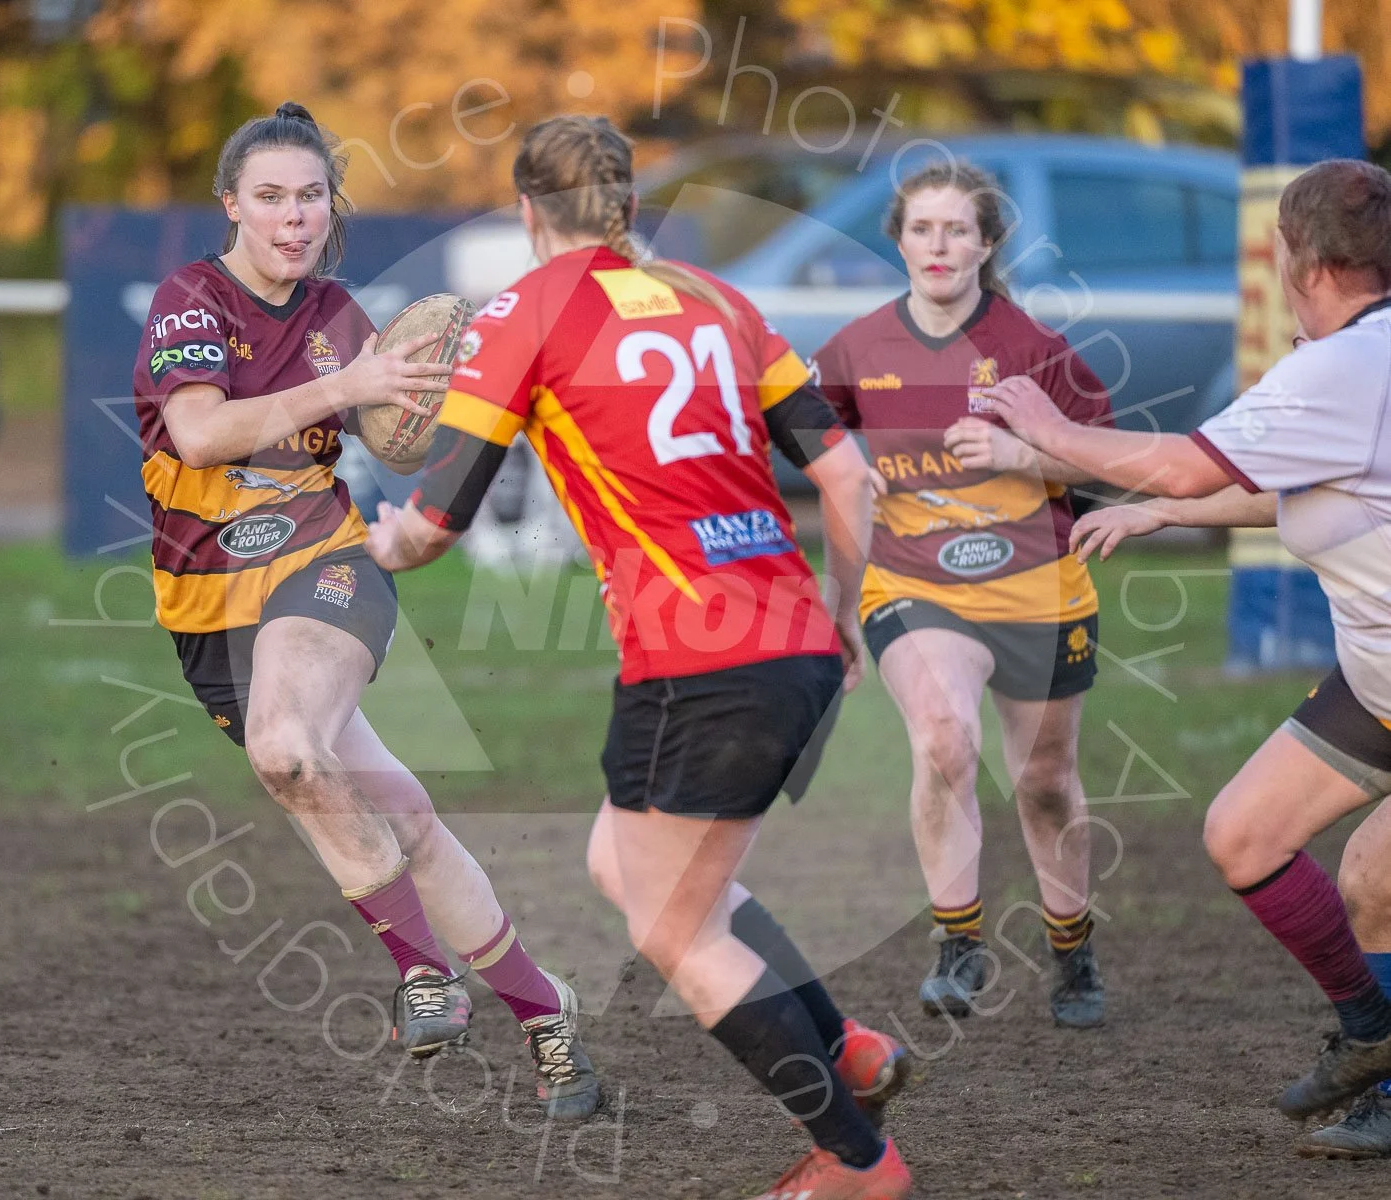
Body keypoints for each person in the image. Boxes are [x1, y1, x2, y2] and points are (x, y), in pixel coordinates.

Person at [366, 114, 914, 1200]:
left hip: (697, 661)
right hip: (785, 638)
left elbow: (435, 523)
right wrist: (846, 615)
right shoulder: (722, 300)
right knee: (626, 869)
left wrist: (377, 539)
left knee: (673, 924)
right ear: (625, 206)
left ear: (529, 212)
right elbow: (851, 481)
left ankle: (859, 1161)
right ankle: (849, 1050)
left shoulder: (528, 310)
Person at [133, 101, 599, 1120]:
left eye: (310, 198)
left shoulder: (342, 316)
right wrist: (347, 382)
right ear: (232, 206)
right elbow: (202, 435)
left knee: (290, 752)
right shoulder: (190, 301)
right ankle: (548, 1015)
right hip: (207, 609)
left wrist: (455, 407)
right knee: (404, 819)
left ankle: (423, 975)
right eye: (271, 198)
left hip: (324, 568)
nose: (293, 218)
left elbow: (407, 436)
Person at [984, 157, 1391, 1139]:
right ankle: (1374, 1041)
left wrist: (1048, 425)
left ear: (1308, 263)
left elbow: (1181, 451)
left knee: (1375, 879)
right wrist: (1167, 510)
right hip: (1378, 685)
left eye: (1281, 253)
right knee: (1253, 838)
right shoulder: (1363, 364)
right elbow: (1314, 481)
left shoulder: (1344, 364)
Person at [810, 161, 1110, 1029]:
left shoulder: (1031, 348)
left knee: (1045, 781)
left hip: (1038, 588)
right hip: (915, 584)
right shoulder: (854, 350)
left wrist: (1026, 454)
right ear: (897, 240)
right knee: (943, 740)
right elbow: (830, 474)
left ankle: (1073, 948)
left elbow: (1107, 462)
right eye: (921, 229)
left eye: (956, 230)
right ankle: (958, 943)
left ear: (986, 243)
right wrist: (839, 598)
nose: (938, 245)